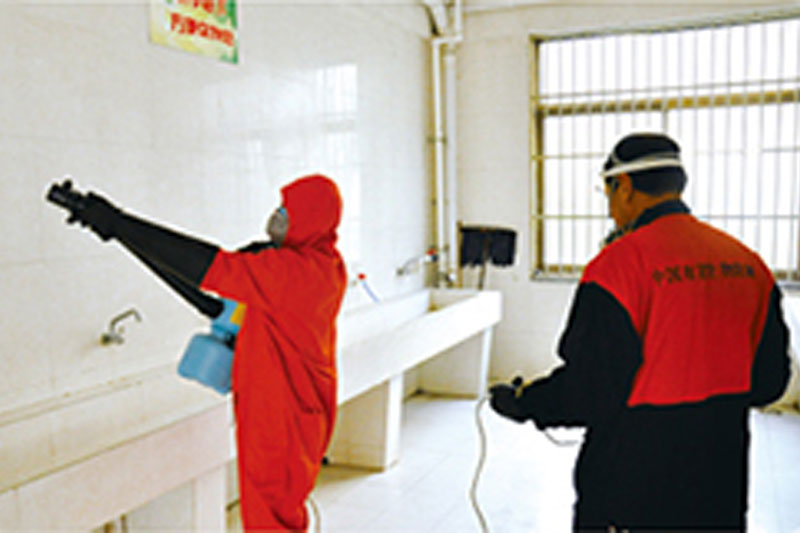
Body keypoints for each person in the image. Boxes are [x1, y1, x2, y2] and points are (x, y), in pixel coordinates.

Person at [489, 133, 790, 532]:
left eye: (607, 192)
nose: (610, 208)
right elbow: (770, 383)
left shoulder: (616, 268)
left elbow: (588, 391)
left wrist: (525, 402)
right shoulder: (749, 265)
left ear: (625, 186)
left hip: (632, 482)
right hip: (719, 478)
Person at [52, 174, 347, 531]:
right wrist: (121, 233)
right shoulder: (307, 265)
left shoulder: (300, 272)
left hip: (284, 418)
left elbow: (207, 267)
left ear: (311, 218)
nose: (276, 217)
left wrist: (119, 222)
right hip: (275, 410)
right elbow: (206, 294)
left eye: (286, 211)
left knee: (271, 520)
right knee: (268, 514)